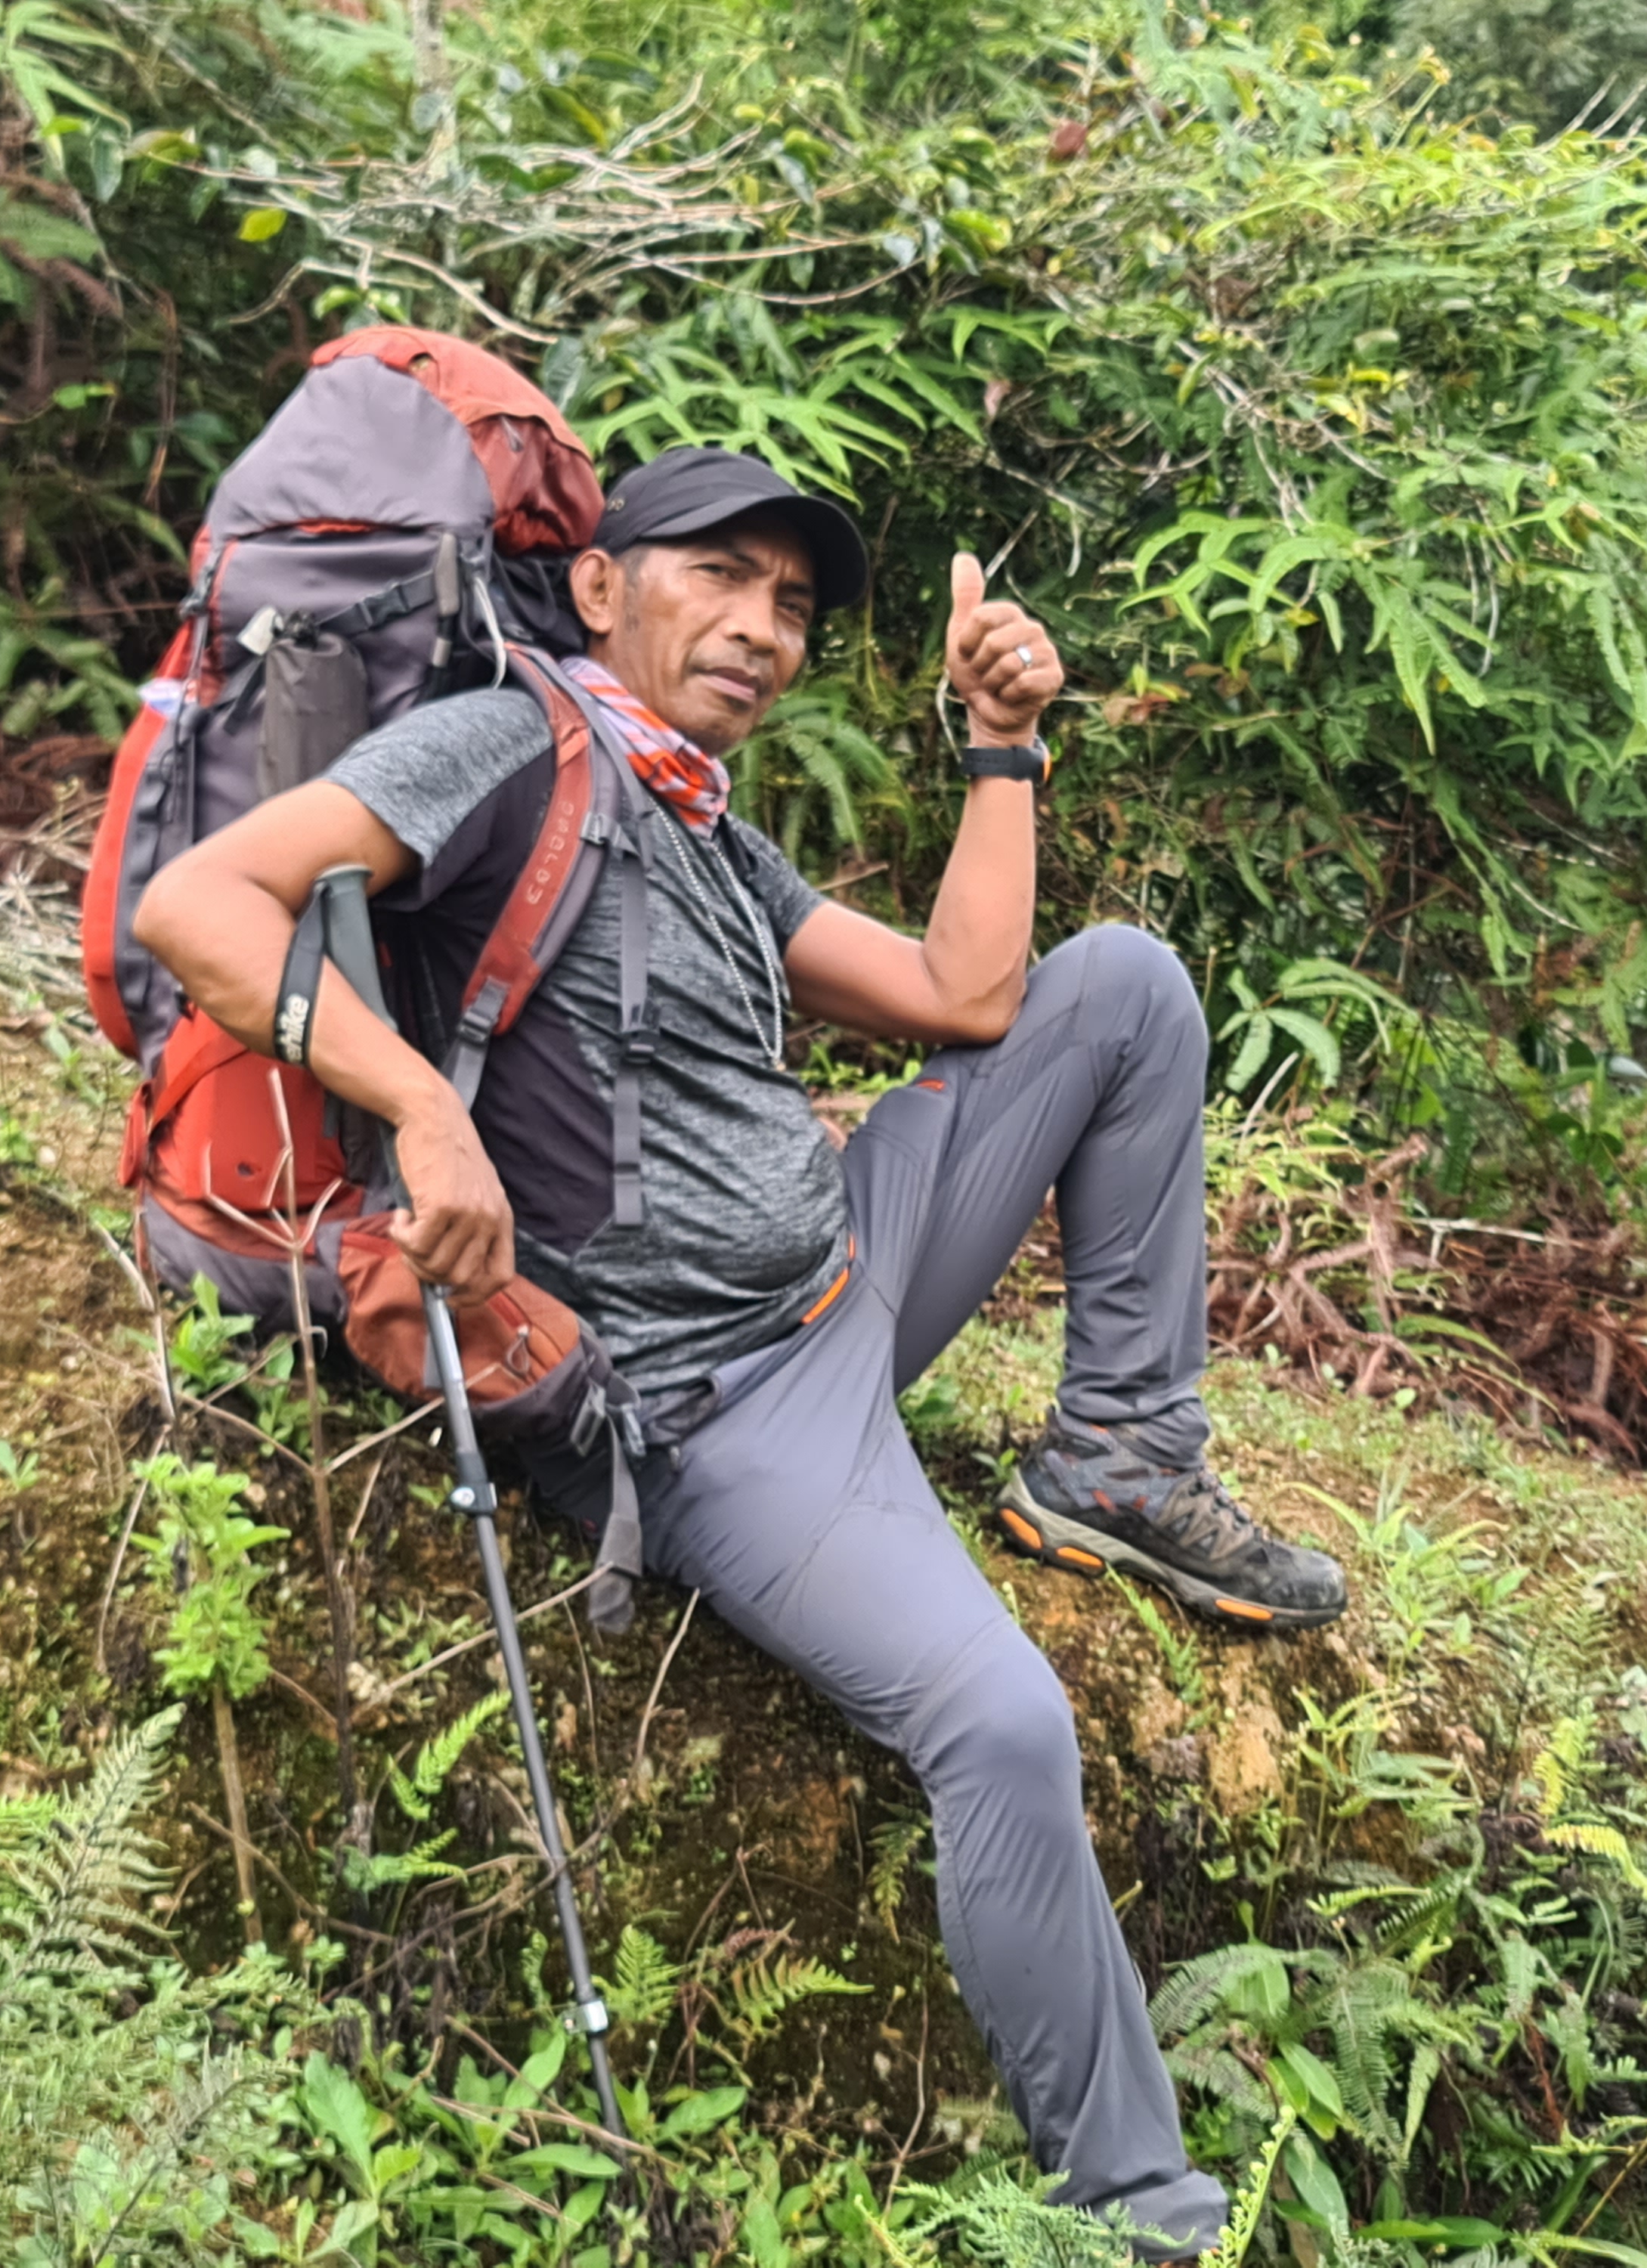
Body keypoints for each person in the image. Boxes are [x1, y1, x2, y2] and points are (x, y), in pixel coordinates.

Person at [133, 444, 1348, 2259]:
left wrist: (998, 750)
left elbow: (964, 1000)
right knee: (1003, 1725)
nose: (764, 627)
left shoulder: (695, 811)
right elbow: (199, 905)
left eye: (792, 605)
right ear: (604, 584)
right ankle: (1146, 2219)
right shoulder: (506, 742)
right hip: (717, 1410)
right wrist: (415, 1112)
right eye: (723, 575)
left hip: (848, 1268)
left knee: (1123, 987)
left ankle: (1115, 1458)